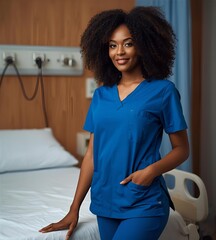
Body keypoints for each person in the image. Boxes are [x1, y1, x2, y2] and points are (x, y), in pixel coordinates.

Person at [39, 6, 189, 240]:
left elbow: (182, 149)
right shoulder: (101, 95)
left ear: (144, 45)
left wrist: (150, 172)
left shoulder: (163, 91)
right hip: (106, 202)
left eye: (128, 43)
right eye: (112, 45)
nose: (119, 51)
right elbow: (91, 155)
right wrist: (74, 208)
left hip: (143, 202)